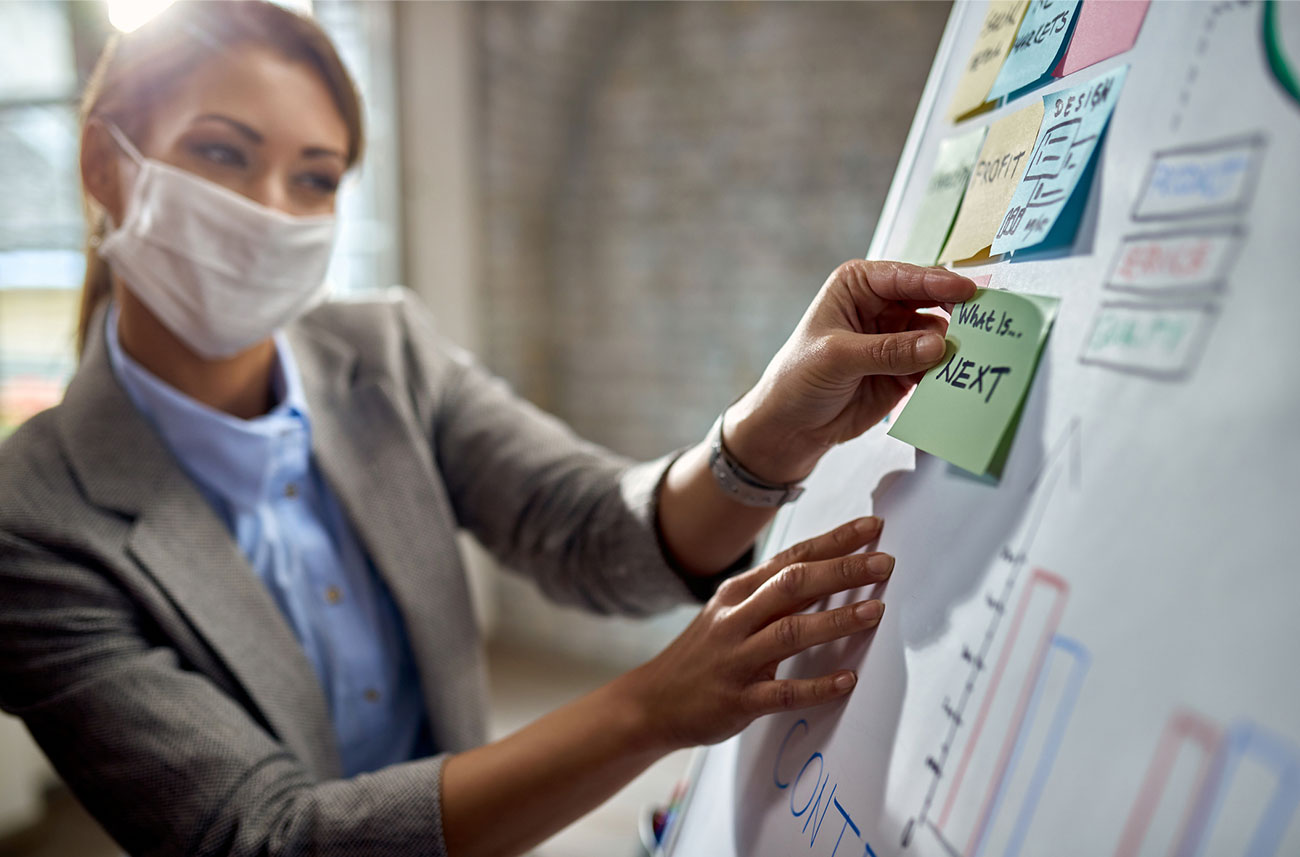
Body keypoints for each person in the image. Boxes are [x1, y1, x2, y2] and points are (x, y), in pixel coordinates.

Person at [0, 3, 975, 856]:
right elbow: (259, 832)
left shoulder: (382, 351)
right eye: (222, 152)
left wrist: (770, 426)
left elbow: (591, 531)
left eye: (316, 177)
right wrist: (647, 707)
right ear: (104, 163)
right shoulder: (32, 519)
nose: (271, 210)